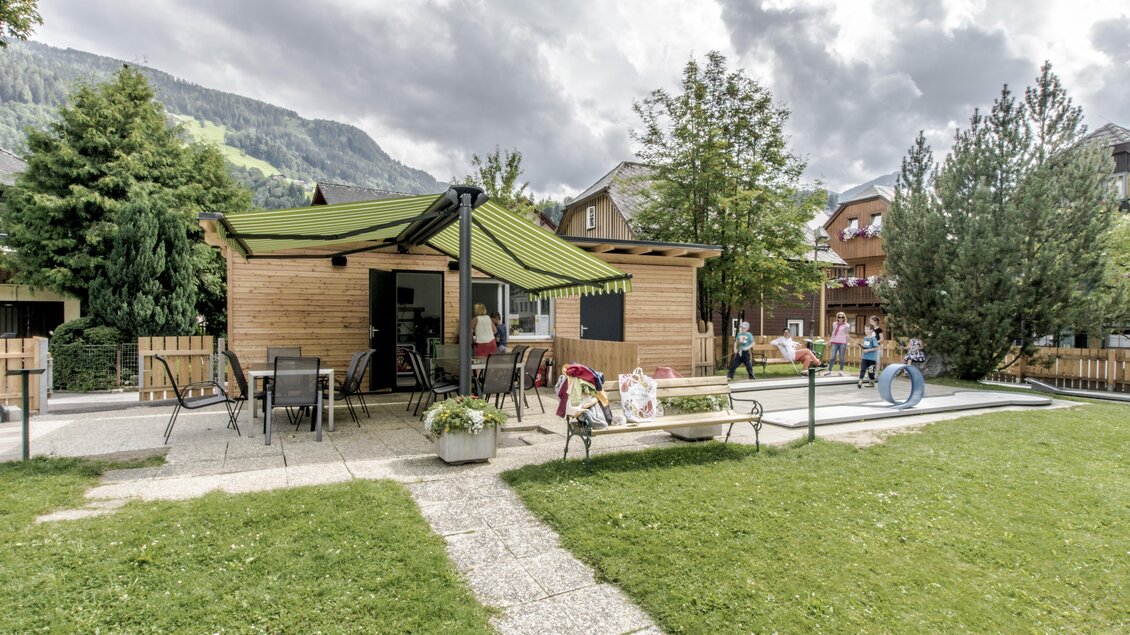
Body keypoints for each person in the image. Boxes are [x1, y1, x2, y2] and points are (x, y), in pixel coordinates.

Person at [824, 312, 850, 377]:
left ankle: (841, 371)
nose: (841, 318)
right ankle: (829, 371)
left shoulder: (846, 325)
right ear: (837, 318)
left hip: (842, 342)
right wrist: (830, 340)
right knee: (833, 357)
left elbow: (847, 334)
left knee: (841, 357)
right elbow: (833, 332)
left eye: (842, 317)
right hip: (835, 342)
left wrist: (848, 342)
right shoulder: (834, 324)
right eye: (839, 317)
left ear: (844, 318)